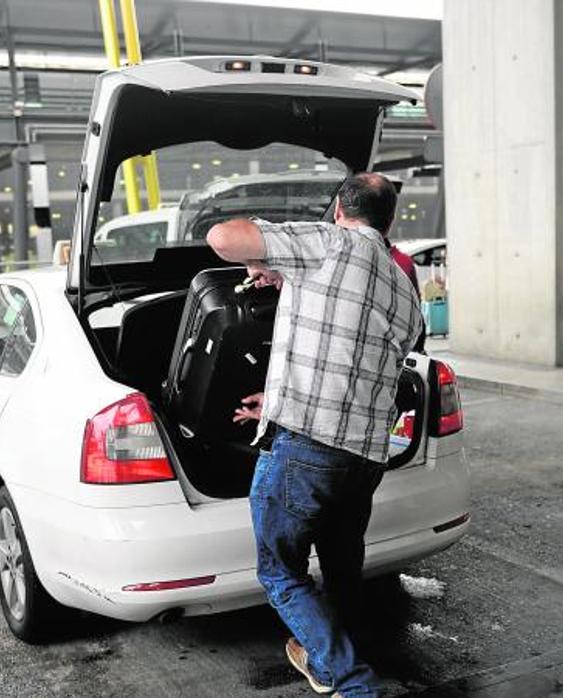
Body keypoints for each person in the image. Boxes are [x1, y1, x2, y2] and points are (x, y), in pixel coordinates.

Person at [207, 172, 423, 698]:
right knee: (343, 566)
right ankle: (329, 663)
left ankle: (354, 684)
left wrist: (266, 257)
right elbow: (360, 357)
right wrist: (289, 277)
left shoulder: (329, 242)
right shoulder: (403, 288)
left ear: (337, 210)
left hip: (307, 444)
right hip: (364, 457)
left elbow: (223, 238)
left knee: (280, 570)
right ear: (388, 219)